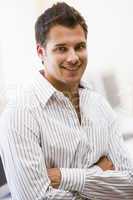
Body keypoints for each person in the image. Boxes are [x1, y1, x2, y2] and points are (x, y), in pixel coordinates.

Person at [0, 2, 133, 199]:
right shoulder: (20, 113)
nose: (73, 58)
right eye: (61, 49)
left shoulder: (99, 104)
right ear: (41, 52)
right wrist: (100, 173)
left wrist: (64, 176)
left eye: (80, 46)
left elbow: (129, 186)